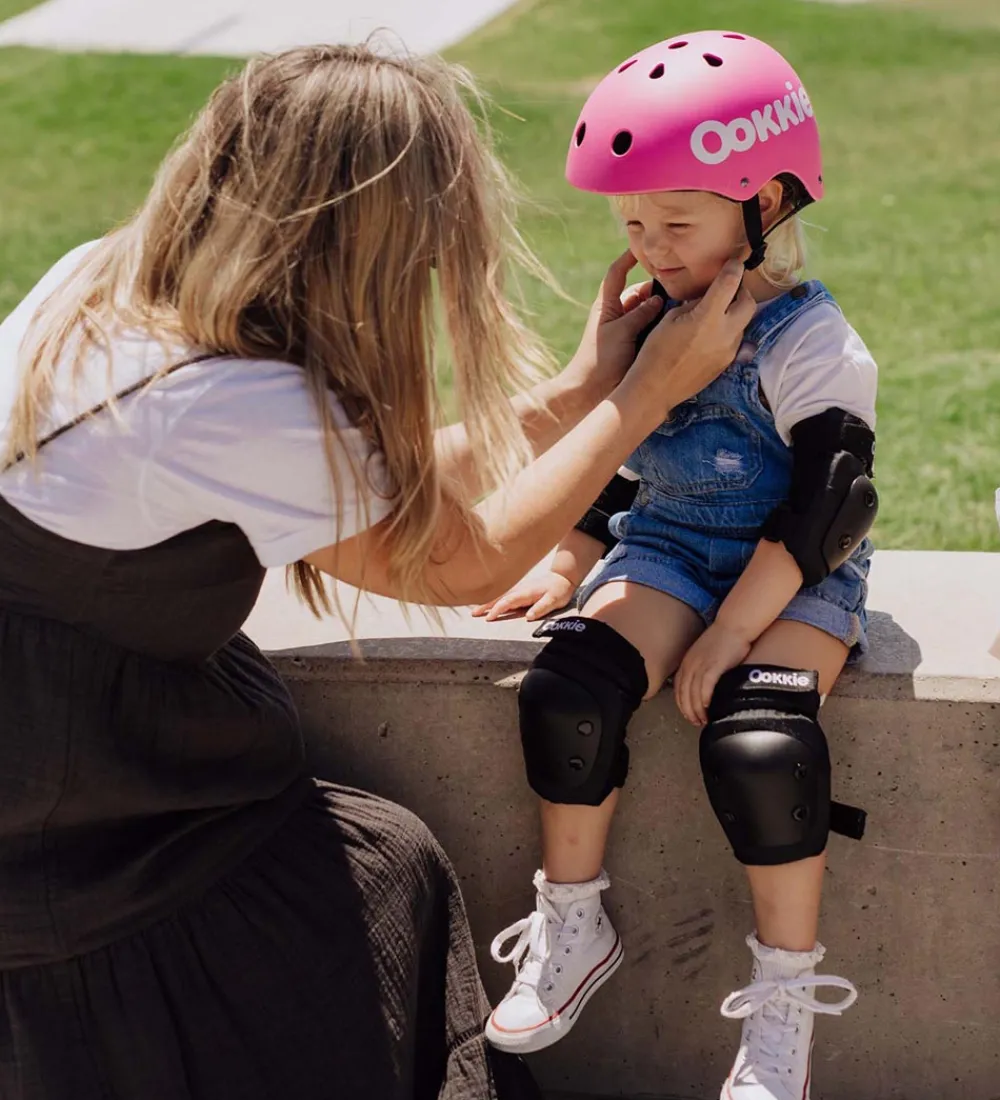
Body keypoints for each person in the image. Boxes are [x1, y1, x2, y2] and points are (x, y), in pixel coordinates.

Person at [0, 42, 754, 1100]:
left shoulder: (109, 280)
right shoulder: (236, 401)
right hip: (77, 823)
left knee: (387, 862)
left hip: (89, 750)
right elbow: (461, 559)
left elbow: (374, 489)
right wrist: (645, 398)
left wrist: (579, 391)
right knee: (373, 880)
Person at [477, 31, 878, 1100]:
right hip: (668, 548)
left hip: (794, 573)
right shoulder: (652, 317)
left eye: (677, 223)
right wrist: (570, 554)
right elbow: (619, 448)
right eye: (632, 225)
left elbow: (830, 505)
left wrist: (733, 633)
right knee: (568, 686)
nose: (651, 247)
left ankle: (785, 996)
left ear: (765, 203)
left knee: (758, 739)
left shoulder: (811, 341)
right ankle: (574, 922)